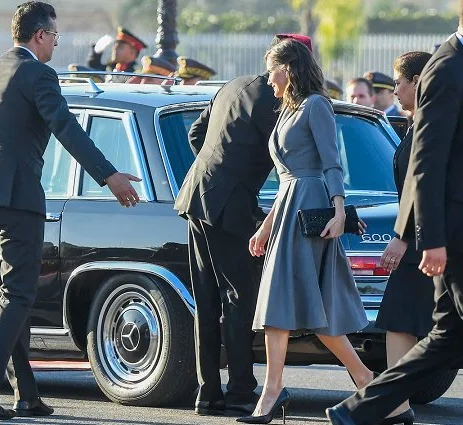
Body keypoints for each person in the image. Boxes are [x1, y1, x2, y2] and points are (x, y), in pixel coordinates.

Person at [0, 2, 141, 420]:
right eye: (55, 36)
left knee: (7, 296)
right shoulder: (39, 74)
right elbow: (66, 127)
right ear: (40, 35)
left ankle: (26, 394)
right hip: (15, 198)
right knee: (18, 295)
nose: (56, 43)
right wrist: (108, 175)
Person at [326, 7, 463, 425]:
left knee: (445, 338)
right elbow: (426, 160)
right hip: (454, 232)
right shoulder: (448, 66)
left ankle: (357, 409)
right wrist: (429, 238)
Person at [174, 34, 312, 418]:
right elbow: (289, 154)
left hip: (196, 195)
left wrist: (219, 169)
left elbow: (196, 135)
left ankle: (208, 393)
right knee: (238, 298)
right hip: (228, 204)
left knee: (206, 299)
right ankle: (239, 391)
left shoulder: (232, 85)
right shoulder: (279, 99)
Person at [237, 39, 372, 424]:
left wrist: (340, 210)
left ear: (289, 68)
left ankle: (367, 383)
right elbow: (285, 179)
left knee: (309, 310)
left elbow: (332, 163)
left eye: (272, 70)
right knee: (282, 308)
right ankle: (366, 384)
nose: (268, 79)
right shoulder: (287, 110)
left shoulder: (315, 105)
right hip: (288, 209)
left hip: (312, 208)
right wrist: (265, 227)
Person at [371, 51, 433, 425]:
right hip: (422, 242)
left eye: (399, 81)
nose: (394, 89)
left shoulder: (431, 123)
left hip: (427, 243)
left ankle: (394, 405)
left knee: (408, 321)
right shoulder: (415, 122)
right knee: (400, 320)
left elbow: (423, 188)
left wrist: (402, 237)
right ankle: (396, 406)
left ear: (417, 82)